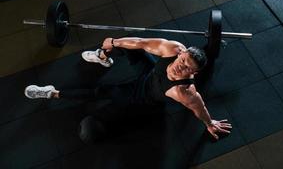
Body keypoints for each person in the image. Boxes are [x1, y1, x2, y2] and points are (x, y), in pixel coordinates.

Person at [24, 37, 231, 141]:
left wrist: (209, 122)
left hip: (142, 97)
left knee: (100, 92)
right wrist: (112, 42)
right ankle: (102, 57)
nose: (181, 66)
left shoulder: (184, 92)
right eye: (183, 60)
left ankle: (52, 92)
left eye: (188, 68)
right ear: (182, 52)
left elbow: (199, 107)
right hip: (149, 73)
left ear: (193, 73)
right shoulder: (172, 48)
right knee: (124, 44)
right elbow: (140, 42)